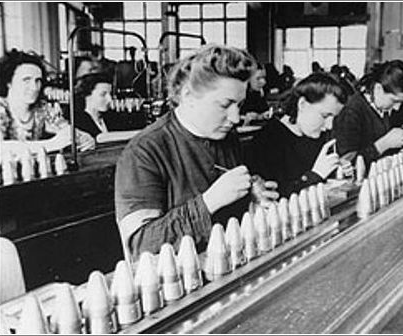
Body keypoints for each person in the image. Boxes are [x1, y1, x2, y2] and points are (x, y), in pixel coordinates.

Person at [114, 45, 279, 260]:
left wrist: (253, 196)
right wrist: (209, 201)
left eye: (239, 105)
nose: (236, 117)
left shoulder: (227, 136)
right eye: (224, 105)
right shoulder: (144, 152)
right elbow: (141, 245)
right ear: (188, 96)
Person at [246, 72, 350, 197]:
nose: (329, 126)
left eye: (333, 118)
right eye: (325, 116)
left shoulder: (317, 135)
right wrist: (315, 175)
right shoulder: (266, 142)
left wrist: (336, 171)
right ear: (302, 104)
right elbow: (272, 198)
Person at [0, 49, 95, 156]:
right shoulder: (0, 107)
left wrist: (84, 137)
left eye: (38, 80)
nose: (34, 87)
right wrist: (51, 144)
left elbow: (67, 130)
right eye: (26, 80)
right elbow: (0, 147)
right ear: (8, 82)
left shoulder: (42, 108)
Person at [333, 60, 403, 167]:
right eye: (394, 101)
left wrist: (400, 146)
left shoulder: (382, 106)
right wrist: (383, 144)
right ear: (378, 88)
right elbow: (345, 162)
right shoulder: (351, 111)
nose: (397, 108)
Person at [73, 73, 114, 138]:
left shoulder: (111, 120)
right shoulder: (79, 123)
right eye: (103, 94)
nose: (110, 99)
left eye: (110, 94)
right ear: (87, 95)